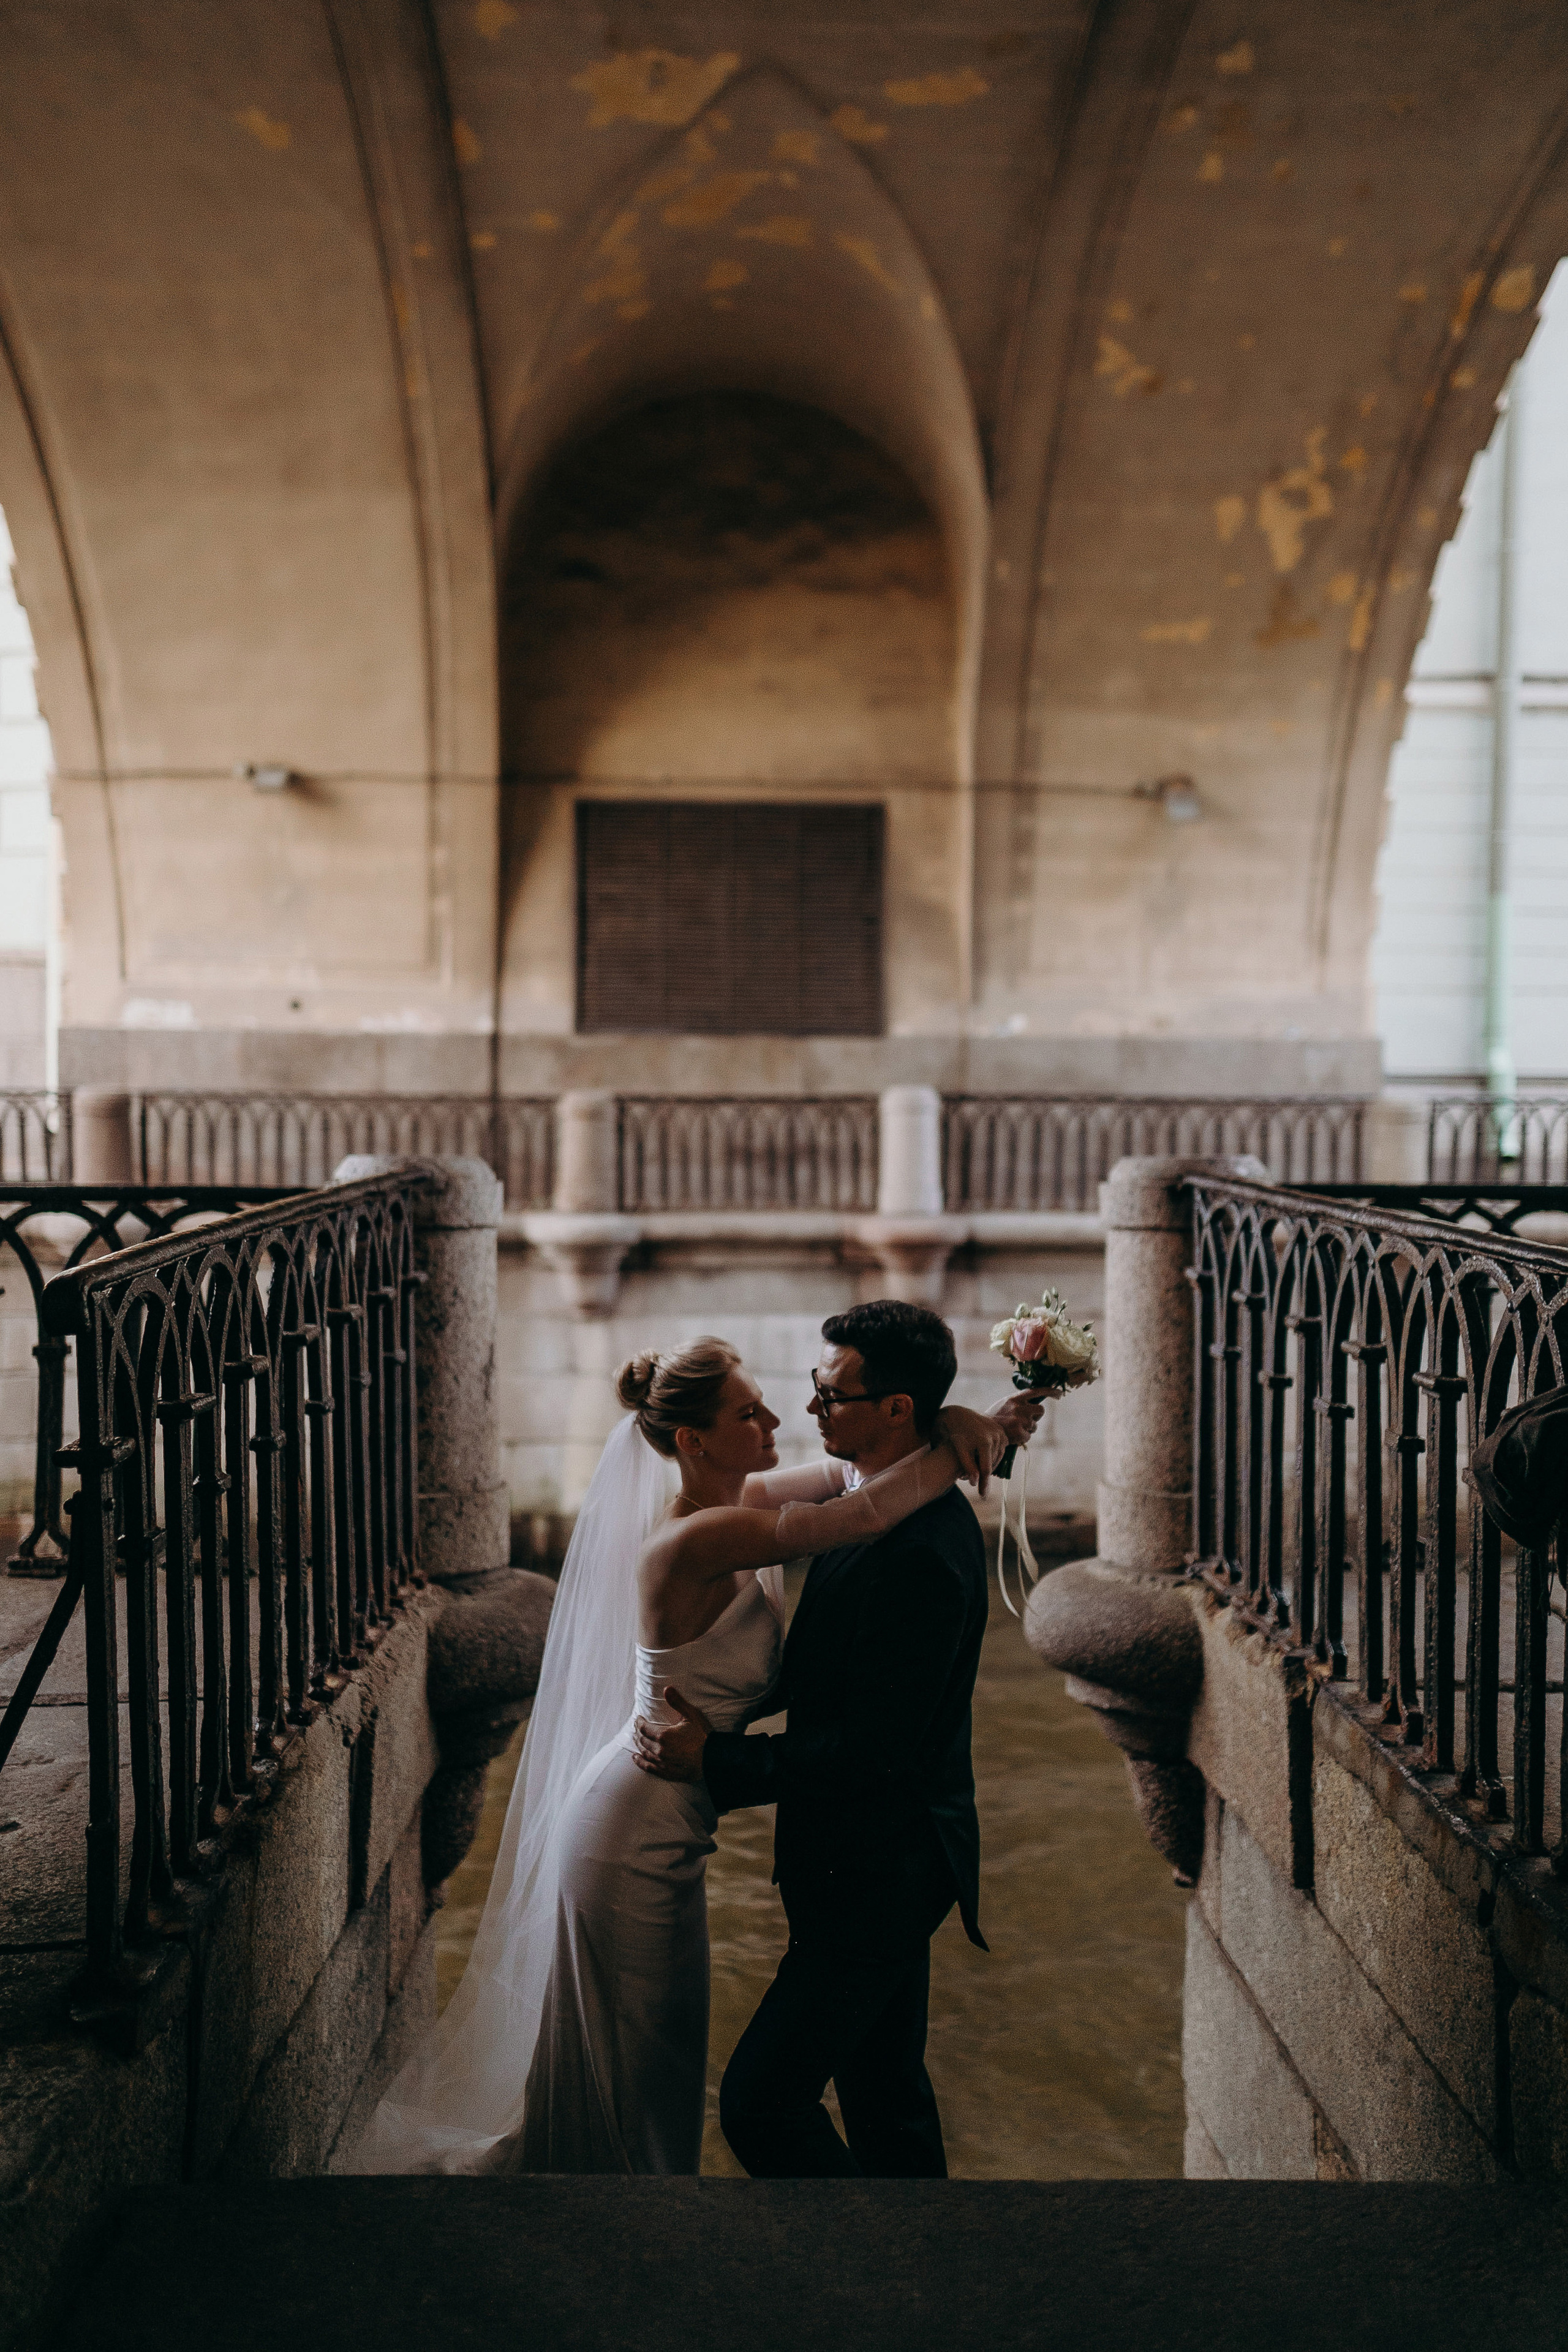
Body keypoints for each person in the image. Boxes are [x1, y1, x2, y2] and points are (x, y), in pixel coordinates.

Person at [356, 1330, 1035, 2176]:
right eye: (751, 1411)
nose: (780, 1415)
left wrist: (963, 1420)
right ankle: (618, 2228)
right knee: (649, 2060)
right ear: (693, 1439)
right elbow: (861, 1514)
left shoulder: (748, 1497)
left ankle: (645, 2216)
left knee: (661, 2054)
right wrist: (977, 1440)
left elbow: (861, 1474)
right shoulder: (694, 1540)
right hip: (636, 1824)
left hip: (674, 1819)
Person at [634, 1299, 1017, 2179]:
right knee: (885, 2089)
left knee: (761, 2102)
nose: (810, 1411)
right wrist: (959, 1430)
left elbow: (871, 1751)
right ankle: (909, 2276)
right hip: (861, 1857)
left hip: (883, 1866)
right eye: (813, 1388)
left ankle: (849, 2274)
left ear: (894, 1409)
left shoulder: (918, 1551)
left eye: (833, 1396)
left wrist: (718, 1760)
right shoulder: (863, 1504)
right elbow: (862, 1503)